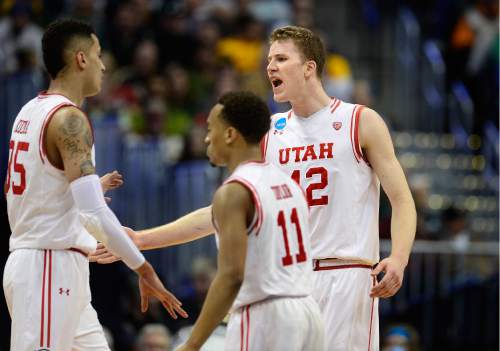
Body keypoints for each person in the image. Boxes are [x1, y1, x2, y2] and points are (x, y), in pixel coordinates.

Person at [93, 26, 416, 351]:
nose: (270, 66)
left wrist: (399, 258)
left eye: (281, 58)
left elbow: (402, 200)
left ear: (309, 68)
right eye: (268, 59)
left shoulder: (359, 121)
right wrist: (141, 239)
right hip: (290, 285)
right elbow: (222, 210)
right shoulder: (271, 134)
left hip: (345, 275)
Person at [2, 19, 186, 351]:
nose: (103, 65)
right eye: (98, 54)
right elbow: (92, 212)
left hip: (59, 267)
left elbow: (44, 187)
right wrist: (142, 268)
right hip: (47, 267)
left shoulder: (30, 110)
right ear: (81, 59)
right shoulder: (69, 119)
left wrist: (88, 187)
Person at [174, 91, 324, 351]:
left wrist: (192, 344)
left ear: (230, 134)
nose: (207, 138)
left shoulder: (234, 191)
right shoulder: (289, 184)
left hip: (266, 315)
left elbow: (232, 275)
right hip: (309, 312)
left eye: (211, 129)